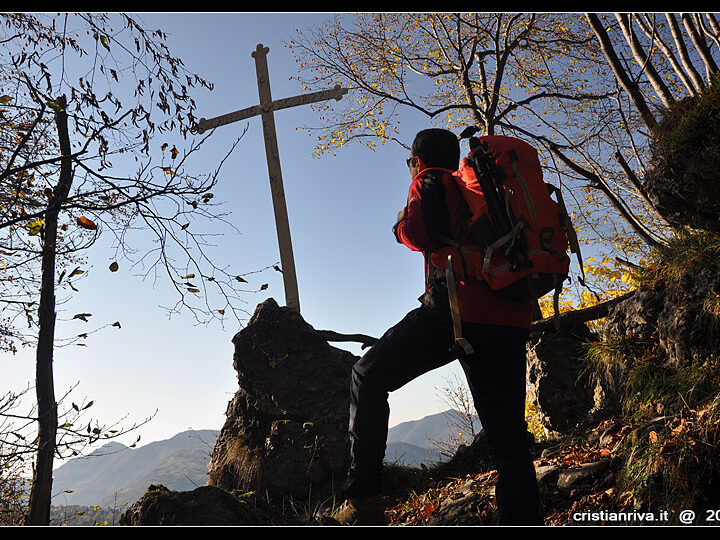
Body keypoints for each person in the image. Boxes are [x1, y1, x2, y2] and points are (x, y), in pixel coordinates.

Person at [333, 128, 542, 526]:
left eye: (410, 161)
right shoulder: (480, 188)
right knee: (509, 439)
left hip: (456, 312)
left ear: (417, 158)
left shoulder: (429, 180)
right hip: (511, 315)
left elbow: (417, 232)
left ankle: (363, 501)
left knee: (367, 376)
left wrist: (398, 226)